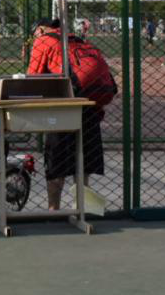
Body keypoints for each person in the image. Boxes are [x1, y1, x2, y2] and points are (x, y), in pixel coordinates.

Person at [26, 19, 107, 210]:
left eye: (34, 34)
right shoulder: (78, 40)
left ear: (40, 30)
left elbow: (32, 77)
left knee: (57, 162)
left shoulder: (43, 40)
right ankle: (82, 209)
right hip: (89, 105)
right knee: (83, 161)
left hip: (63, 106)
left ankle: (53, 209)